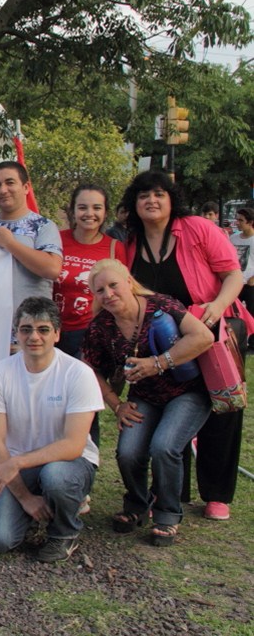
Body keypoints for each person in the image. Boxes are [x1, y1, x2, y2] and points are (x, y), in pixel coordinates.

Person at [121, 170, 252, 522]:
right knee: (170, 407)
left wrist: (217, 306)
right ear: (135, 203)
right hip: (158, 339)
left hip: (210, 331)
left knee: (221, 412)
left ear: (171, 199)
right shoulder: (132, 241)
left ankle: (217, 494)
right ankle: (171, 490)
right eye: (144, 194)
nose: (152, 200)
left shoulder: (197, 228)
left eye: (160, 194)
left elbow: (233, 274)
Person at [81, 259, 214, 546]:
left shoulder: (160, 305)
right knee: (128, 451)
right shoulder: (101, 325)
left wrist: (158, 363)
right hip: (145, 396)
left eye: (113, 285)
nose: (108, 294)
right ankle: (137, 505)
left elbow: (203, 336)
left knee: (164, 447)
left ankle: (167, 514)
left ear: (128, 281)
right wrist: (116, 404)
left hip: (188, 391)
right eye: (100, 290)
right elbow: (89, 368)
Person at [0, 296, 103, 562]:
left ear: (57, 334)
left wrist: (17, 463)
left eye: (43, 329)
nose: (34, 337)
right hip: (19, 466)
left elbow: (73, 445)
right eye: (26, 329)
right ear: (16, 334)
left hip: (69, 462)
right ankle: (41, 507)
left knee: (56, 477)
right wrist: (24, 498)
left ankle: (64, 532)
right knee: (0, 540)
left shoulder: (78, 374)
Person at [0, 161, 63, 308]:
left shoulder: (42, 225)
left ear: (26, 187)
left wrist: (10, 244)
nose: (3, 190)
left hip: (30, 322)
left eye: (10, 183)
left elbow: (52, 269)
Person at [54, 184, 127, 358]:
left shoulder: (114, 248)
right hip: (52, 329)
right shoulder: (56, 239)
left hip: (90, 331)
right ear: (72, 211)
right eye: (82, 207)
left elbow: (123, 292)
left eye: (97, 208)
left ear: (106, 213)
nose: (89, 213)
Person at [230, 207, 254, 322]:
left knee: (252, 315)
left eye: (241, 220)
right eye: (237, 220)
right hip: (236, 282)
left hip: (250, 284)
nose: (237, 223)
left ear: (250, 222)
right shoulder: (233, 238)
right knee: (233, 314)